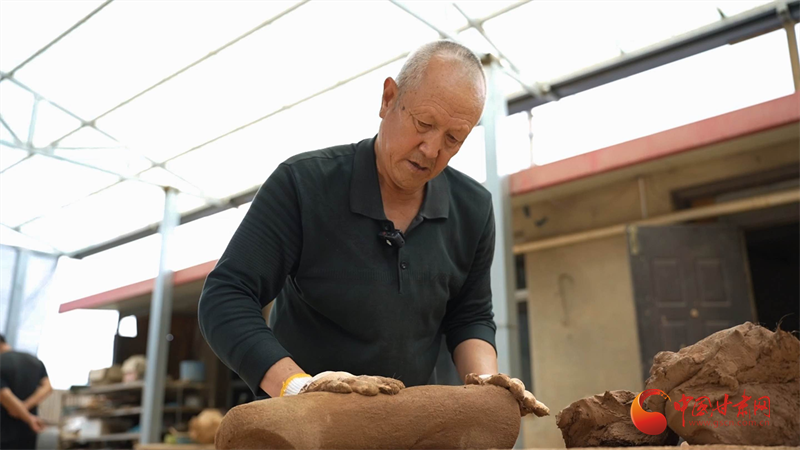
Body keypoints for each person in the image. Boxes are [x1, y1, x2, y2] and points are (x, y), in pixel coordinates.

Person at [199, 40, 546, 415]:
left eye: (453, 139)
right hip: (300, 422)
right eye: (424, 124)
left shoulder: (473, 209)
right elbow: (226, 295)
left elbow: (470, 316)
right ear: (388, 99)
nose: (432, 149)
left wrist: (486, 386)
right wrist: (298, 388)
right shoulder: (303, 185)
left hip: (407, 427)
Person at [0, 333, 52, 450]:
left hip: (5, 431)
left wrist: (24, 414)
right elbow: (48, 387)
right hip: (29, 430)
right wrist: (26, 407)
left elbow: (4, 396)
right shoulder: (34, 360)